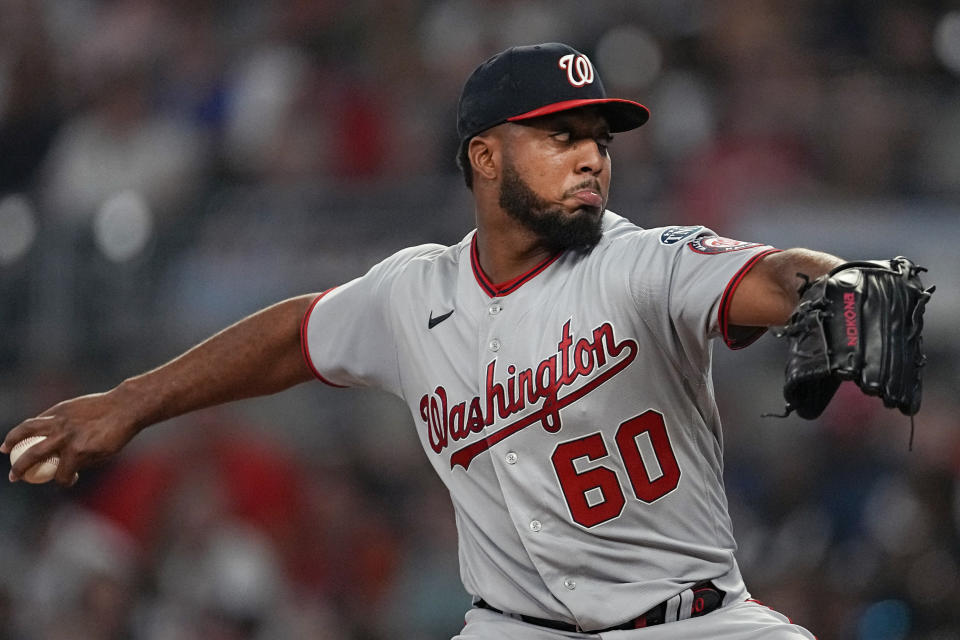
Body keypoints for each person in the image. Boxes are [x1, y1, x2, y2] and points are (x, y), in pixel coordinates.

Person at [4, 43, 844, 639]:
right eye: (560, 136)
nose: (591, 157)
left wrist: (838, 288)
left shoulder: (639, 262)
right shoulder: (416, 292)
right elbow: (292, 336)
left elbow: (772, 275)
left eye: (599, 137)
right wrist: (128, 404)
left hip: (695, 625)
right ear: (485, 156)